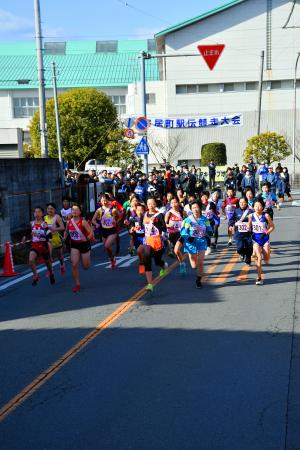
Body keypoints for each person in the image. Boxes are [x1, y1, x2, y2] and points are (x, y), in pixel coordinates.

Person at [179, 200, 213, 288]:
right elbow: (183, 232)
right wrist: (188, 237)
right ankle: (196, 268)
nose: (195, 210)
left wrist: (209, 233)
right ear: (191, 209)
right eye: (193, 208)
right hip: (191, 243)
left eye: (197, 207)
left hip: (201, 242)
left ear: (200, 208)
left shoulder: (205, 219)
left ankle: (198, 280)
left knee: (200, 262)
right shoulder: (188, 220)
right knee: (194, 265)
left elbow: (209, 228)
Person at [137, 197, 167, 292]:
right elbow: (142, 227)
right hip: (147, 240)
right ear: (147, 205)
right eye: (149, 204)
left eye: (152, 203)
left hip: (157, 240)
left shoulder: (159, 215)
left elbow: (165, 229)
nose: (150, 205)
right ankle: (150, 284)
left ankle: (163, 265)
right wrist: (136, 228)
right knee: (145, 255)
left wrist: (156, 223)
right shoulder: (144, 214)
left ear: (155, 204)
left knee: (157, 261)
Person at [65, 204, 94, 293]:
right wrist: (64, 237)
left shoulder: (83, 222)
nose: (74, 211)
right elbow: (66, 232)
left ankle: (86, 257)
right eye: (73, 210)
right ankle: (77, 284)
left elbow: (91, 233)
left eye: (76, 210)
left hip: (84, 244)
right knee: (74, 264)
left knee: (86, 266)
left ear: (80, 212)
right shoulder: (68, 222)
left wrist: (87, 238)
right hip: (74, 244)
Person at [25, 206, 55, 286]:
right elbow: (29, 233)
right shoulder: (32, 223)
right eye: (35, 212)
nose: (37, 214)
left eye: (39, 212)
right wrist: (25, 237)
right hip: (35, 245)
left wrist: (38, 234)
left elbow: (50, 236)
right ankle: (35, 275)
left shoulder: (44, 224)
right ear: (34, 214)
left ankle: (51, 273)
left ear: (42, 214)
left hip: (43, 246)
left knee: (48, 264)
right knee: (31, 260)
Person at [248, 199, 275, 285]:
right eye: (255, 206)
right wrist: (247, 228)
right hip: (255, 239)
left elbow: (272, 227)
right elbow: (249, 226)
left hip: (265, 239)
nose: (257, 207)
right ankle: (259, 277)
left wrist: (267, 232)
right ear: (253, 207)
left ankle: (265, 253)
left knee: (266, 259)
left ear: (263, 207)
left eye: (259, 206)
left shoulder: (266, 215)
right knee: (259, 258)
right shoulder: (251, 216)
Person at [92, 193, 121, 269]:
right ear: (100, 201)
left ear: (108, 201)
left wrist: (116, 221)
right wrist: (96, 224)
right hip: (103, 230)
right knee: (107, 248)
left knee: (107, 245)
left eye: (105, 200)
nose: (104, 202)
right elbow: (93, 220)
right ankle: (112, 258)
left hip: (112, 230)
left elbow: (120, 216)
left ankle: (112, 258)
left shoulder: (113, 209)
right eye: (102, 200)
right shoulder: (99, 210)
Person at [229, 197, 253, 265]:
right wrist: (231, 225)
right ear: (239, 203)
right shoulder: (236, 211)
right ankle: (242, 253)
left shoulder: (251, 211)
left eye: (244, 202)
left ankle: (248, 259)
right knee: (239, 248)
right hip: (239, 233)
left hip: (249, 233)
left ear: (246, 202)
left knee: (250, 247)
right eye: (240, 202)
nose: (242, 204)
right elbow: (232, 219)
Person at [44, 202, 65, 275]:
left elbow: (62, 227)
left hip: (56, 239)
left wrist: (55, 228)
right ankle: (50, 270)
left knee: (60, 256)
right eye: (48, 208)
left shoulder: (57, 217)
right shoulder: (45, 218)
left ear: (54, 210)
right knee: (48, 255)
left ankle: (62, 265)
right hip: (48, 239)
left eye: (51, 209)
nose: (50, 210)